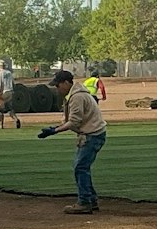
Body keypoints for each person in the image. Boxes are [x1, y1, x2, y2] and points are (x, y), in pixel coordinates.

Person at [36, 68, 106, 215]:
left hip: (92, 134)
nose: (57, 88)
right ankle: (90, 199)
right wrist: (55, 128)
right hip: (94, 133)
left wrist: (54, 131)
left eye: (58, 85)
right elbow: (71, 121)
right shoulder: (76, 94)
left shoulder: (77, 97)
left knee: (80, 167)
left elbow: (74, 122)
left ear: (66, 83)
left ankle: (85, 202)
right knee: (81, 167)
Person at [0, 58, 21, 129]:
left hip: (3, 93)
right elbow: (13, 83)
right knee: (9, 108)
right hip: (10, 92)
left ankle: (0, 125)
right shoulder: (9, 73)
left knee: (0, 109)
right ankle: (16, 119)